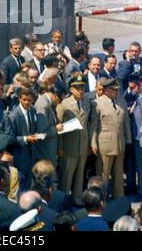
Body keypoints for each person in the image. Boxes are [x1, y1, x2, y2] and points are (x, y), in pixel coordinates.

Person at [57, 73, 95, 206]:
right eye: (77, 88)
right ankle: (62, 200)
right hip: (69, 145)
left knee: (80, 174)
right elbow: (59, 128)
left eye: (82, 88)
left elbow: (88, 124)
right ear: (71, 89)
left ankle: (77, 198)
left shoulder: (86, 102)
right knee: (66, 176)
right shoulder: (64, 104)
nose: (80, 91)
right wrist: (60, 147)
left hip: (83, 145)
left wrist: (90, 143)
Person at [91, 78, 132, 199]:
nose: (117, 92)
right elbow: (93, 126)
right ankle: (100, 199)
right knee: (103, 174)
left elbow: (125, 122)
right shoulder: (97, 103)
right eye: (114, 90)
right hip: (105, 144)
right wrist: (93, 143)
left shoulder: (120, 101)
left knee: (119, 175)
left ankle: (119, 198)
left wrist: (128, 139)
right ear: (107, 91)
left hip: (119, 143)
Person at [7, 88, 39, 187]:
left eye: (29, 100)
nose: (27, 102)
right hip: (20, 156)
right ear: (19, 99)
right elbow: (10, 138)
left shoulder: (32, 110)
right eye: (24, 99)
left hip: (31, 155)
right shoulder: (14, 116)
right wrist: (25, 139)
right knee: (20, 185)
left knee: (29, 183)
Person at [34, 83, 63, 168]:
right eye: (60, 100)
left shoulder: (47, 103)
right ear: (55, 96)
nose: (59, 103)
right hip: (44, 151)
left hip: (49, 150)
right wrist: (56, 128)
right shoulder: (43, 105)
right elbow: (41, 131)